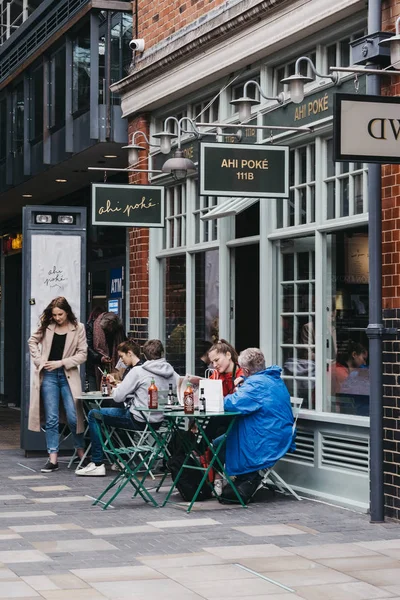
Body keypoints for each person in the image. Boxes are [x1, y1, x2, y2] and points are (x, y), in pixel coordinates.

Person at [76, 339, 179, 477]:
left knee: (94, 414)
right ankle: (119, 460)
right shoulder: (172, 373)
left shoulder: (138, 371)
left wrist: (120, 388)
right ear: (162, 353)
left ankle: (97, 463)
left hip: (138, 420)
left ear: (145, 355)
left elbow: (118, 397)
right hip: (159, 422)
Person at [216, 347, 295, 501]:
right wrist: (246, 382)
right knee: (222, 441)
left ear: (245, 370)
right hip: (278, 432)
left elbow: (232, 403)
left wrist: (210, 398)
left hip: (267, 439)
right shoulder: (272, 378)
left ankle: (246, 478)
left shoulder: (255, 386)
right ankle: (244, 478)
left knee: (219, 445)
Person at [27, 296, 87, 473]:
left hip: (68, 374)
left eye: (60, 314)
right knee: (52, 418)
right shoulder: (47, 326)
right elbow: (32, 341)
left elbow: (83, 354)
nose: (57, 318)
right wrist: (39, 361)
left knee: (74, 416)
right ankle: (53, 458)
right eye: (54, 315)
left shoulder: (78, 328)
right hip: (49, 376)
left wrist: (61, 362)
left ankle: (81, 452)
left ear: (67, 312)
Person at [92, 312, 126, 388]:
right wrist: (100, 358)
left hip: (115, 365)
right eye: (105, 330)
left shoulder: (118, 328)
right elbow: (89, 349)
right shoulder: (93, 326)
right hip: (97, 367)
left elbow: (123, 342)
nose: (108, 332)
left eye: (109, 330)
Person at [85, 305, 106, 391]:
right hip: (94, 365)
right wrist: (100, 358)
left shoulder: (89, 325)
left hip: (93, 365)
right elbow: (88, 347)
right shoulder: (90, 327)